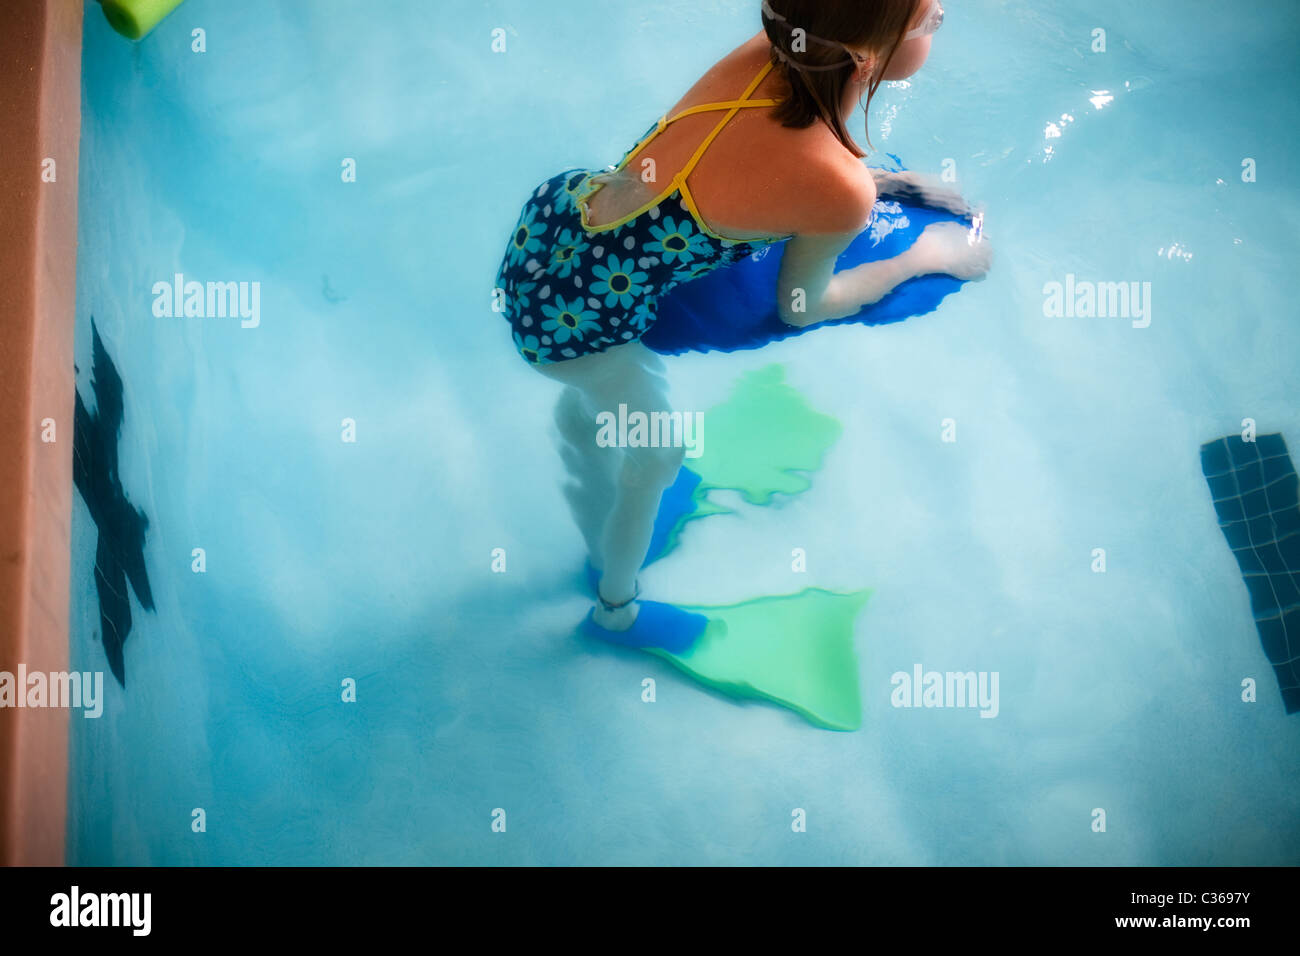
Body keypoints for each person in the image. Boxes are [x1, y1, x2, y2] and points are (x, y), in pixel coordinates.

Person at [494, 0, 991, 632]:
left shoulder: (764, 54)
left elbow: (769, 161)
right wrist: (921, 257)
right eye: (928, 20)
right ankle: (616, 607)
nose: (941, 14)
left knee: (604, 395)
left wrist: (890, 185)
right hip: (574, 324)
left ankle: (586, 417)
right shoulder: (840, 191)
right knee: (659, 458)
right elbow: (802, 307)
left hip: (562, 219)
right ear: (867, 57)